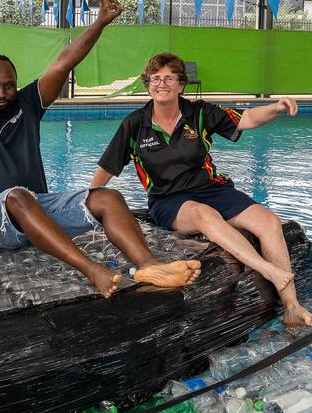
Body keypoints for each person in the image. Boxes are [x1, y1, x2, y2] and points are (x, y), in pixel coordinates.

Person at [0, 0, 201, 298]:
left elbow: (64, 62)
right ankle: (92, 269)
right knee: (16, 196)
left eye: (9, 86)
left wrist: (100, 22)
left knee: (107, 197)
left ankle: (149, 264)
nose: (2, 93)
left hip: (38, 211)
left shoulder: (28, 106)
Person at [92, 51, 312, 327]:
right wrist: (88, 202)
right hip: (168, 200)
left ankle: (292, 308)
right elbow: (108, 168)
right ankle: (268, 270)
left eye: (169, 78)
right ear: (148, 85)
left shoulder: (199, 113)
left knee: (268, 222)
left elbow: (246, 119)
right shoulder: (135, 124)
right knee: (203, 214)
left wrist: (277, 108)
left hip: (211, 189)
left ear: (181, 85)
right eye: (155, 79)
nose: (162, 84)